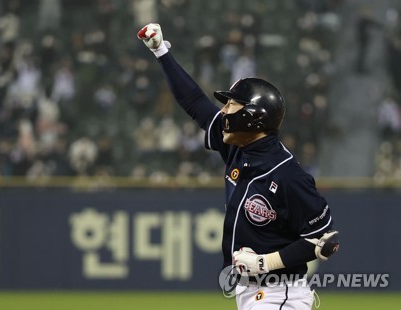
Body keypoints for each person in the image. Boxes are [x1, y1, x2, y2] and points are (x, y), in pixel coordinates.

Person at [137, 23, 339, 309]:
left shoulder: (288, 175)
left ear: (254, 118)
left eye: (232, 105)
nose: (224, 110)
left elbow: (324, 240)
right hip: (252, 293)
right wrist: (161, 51)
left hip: (280, 293)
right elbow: (195, 102)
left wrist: (263, 262)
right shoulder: (237, 147)